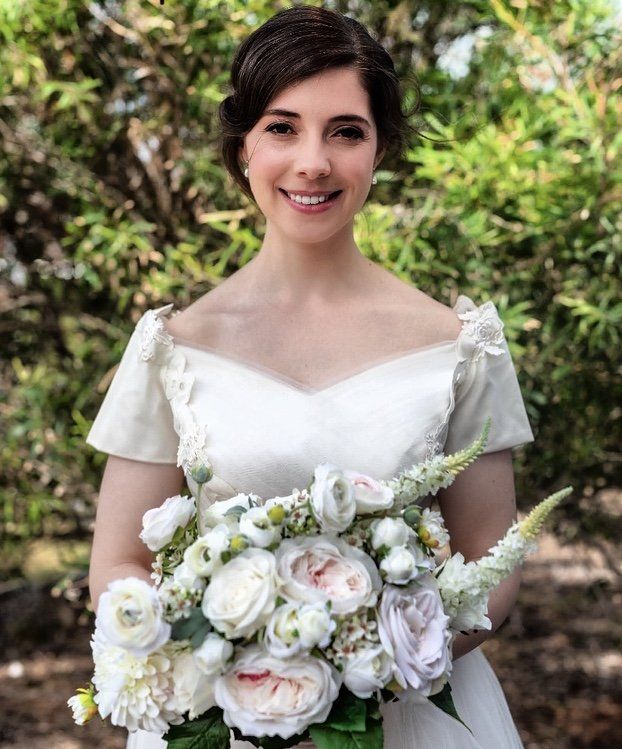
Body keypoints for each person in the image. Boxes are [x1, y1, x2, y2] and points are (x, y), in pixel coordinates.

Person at [86, 6, 535, 748]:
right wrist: (228, 660)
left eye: (346, 131)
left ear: (380, 147)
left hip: (414, 716)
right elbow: (119, 562)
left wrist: (360, 665)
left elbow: (492, 559)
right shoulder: (175, 345)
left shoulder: (460, 344)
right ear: (242, 148)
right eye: (282, 127)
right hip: (222, 716)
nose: (313, 162)